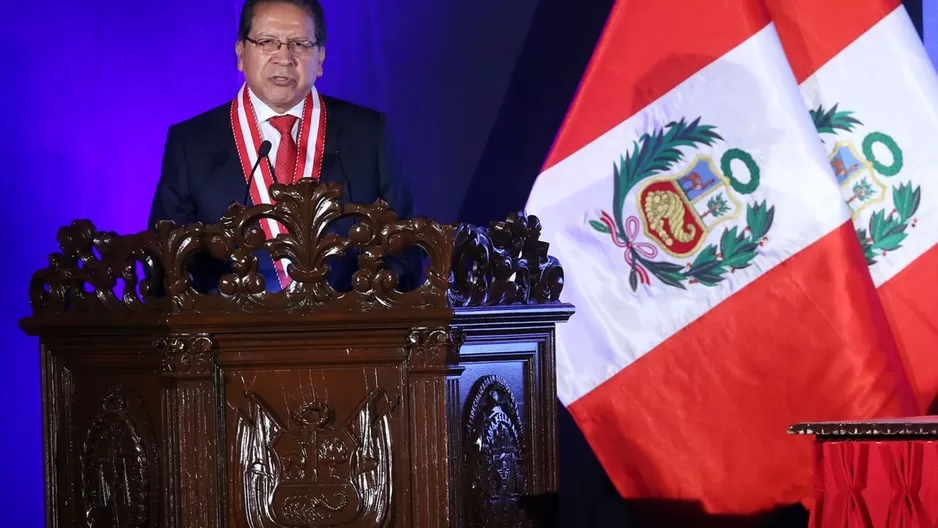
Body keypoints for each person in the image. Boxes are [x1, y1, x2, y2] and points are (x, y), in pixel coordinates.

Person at [148, 0, 418, 293]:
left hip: (346, 329)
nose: (284, 57)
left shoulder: (369, 133)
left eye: (300, 44)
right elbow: (168, 259)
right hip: (230, 332)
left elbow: (403, 250)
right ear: (241, 54)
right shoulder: (191, 143)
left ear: (321, 59)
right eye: (267, 42)